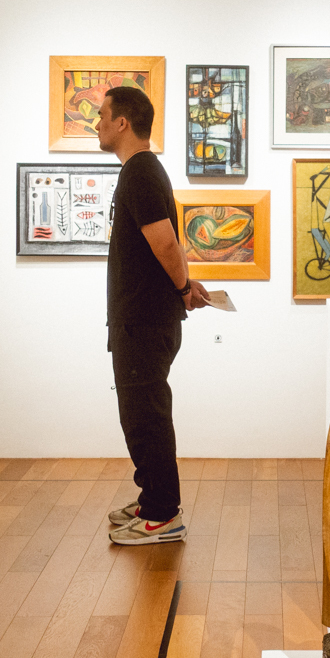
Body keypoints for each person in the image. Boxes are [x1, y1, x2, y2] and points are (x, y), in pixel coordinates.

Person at [97, 86, 209, 545]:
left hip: (144, 320)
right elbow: (166, 246)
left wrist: (183, 286)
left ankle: (163, 514)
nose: (97, 123)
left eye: (102, 115)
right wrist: (184, 283)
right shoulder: (143, 172)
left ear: (123, 122)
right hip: (141, 318)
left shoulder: (140, 172)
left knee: (146, 417)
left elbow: (164, 243)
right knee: (140, 414)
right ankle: (151, 500)